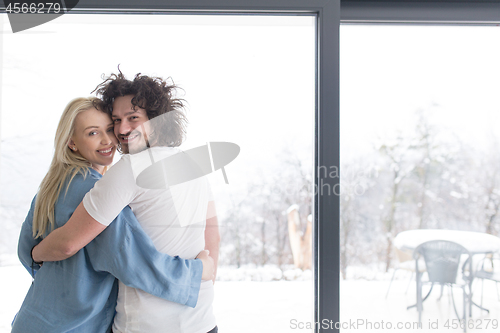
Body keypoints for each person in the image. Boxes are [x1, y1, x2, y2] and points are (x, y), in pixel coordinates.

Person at [32, 72, 220, 333]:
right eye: (116, 120)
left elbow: (68, 244)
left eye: (133, 118)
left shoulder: (131, 168)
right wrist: (205, 276)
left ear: (156, 119)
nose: (121, 130)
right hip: (202, 322)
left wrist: (35, 253)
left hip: (145, 326)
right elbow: (211, 236)